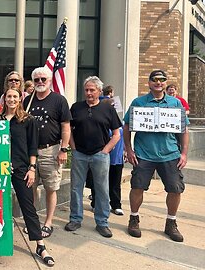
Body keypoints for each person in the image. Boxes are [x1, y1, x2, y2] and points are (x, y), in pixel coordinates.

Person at [124, 70, 189, 242]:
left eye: (162, 80)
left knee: (175, 188)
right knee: (137, 186)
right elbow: (127, 126)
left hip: (170, 153)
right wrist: (129, 150)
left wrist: (183, 153)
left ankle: (171, 223)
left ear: (166, 82)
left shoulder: (175, 104)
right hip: (144, 154)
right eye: (155, 79)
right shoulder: (138, 102)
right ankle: (134, 218)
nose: (158, 82)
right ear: (149, 82)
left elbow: (184, 130)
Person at [0, 87, 54, 267]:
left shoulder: (28, 120)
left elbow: (32, 146)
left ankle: (40, 245)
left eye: (15, 97)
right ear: (4, 99)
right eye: (9, 97)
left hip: (21, 168)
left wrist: (32, 168)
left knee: (28, 206)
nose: (12, 100)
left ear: (20, 99)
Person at [66, 76, 122, 238]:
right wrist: (73, 147)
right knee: (76, 188)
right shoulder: (76, 107)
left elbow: (117, 134)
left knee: (102, 189)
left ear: (99, 91)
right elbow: (68, 129)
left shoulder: (108, 109)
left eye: (92, 90)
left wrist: (106, 150)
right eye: (86, 90)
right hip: (80, 154)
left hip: (100, 155)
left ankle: (102, 222)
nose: (89, 93)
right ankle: (75, 218)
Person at [23, 67, 71, 238]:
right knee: (31, 188)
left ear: (50, 81)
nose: (40, 82)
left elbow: (66, 126)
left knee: (51, 188)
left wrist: (63, 149)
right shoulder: (27, 101)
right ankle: (33, 221)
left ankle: (48, 222)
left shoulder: (59, 100)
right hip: (30, 152)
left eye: (44, 79)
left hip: (51, 150)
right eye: (37, 80)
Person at [89, 98, 125, 216]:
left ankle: (116, 204)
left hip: (117, 158)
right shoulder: (101, 122)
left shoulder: (120, 123)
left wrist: (125, 150)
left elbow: (123, 137)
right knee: (98, 182)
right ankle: (96, 203)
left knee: (115, 182)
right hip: (102, 156)